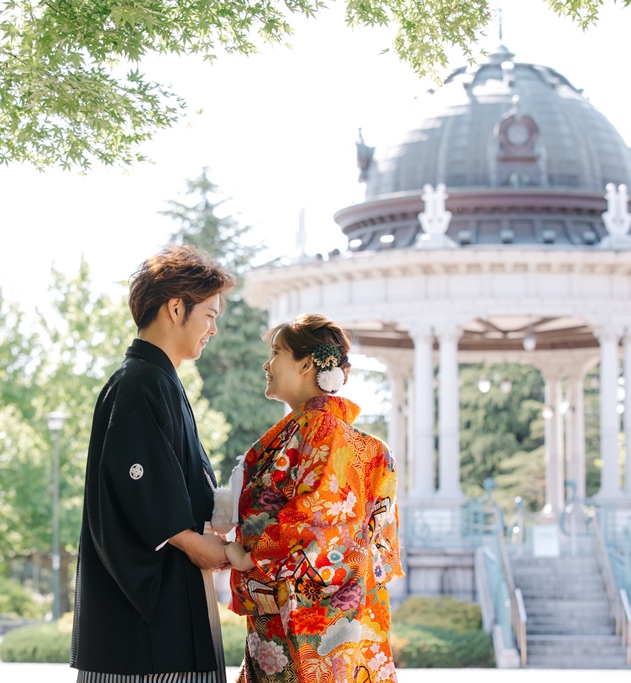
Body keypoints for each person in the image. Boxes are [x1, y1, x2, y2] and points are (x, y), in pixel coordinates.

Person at [70, 244, 236, 683]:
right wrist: (188, 539)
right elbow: (137, 481)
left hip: (169, 592)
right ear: (176, 307)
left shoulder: (157, 379)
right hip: (147, 619)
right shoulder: (139, 382)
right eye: (210, 314)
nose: (214, 328)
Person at [223, 313, 403, 683]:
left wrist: (246, 556)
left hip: (309, 622)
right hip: (319, 611)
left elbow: (317, 519)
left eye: (275, 352)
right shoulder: (329, 435)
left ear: (306, 364)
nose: (266, 364)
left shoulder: (320, 429)